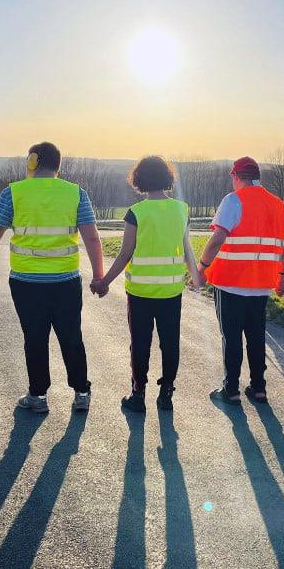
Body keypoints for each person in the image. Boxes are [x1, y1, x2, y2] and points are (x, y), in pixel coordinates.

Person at [0, 142, 104, 414]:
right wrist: (99, 276)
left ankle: (38, 396)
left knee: (34, 338)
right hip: (66, 281)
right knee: (71, 335)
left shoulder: (13, 192)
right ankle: (81, 392)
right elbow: (92, 237)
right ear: (58, 164)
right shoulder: (76, 193)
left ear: (33, 161)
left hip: (27, 283)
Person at [93, 156, 200, 413]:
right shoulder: (182, 210)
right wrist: (196, 277)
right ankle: (166, 394)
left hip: (140, 292)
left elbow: (124, 254)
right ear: (167, 178)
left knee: (140, 343)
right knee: (170, 342)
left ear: (139, 179)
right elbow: (187, 249)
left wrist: (104, 282)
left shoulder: (136, 213)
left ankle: (138, 393)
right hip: (171, 292)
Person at [197, 157, 284, 405]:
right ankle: (259, 388)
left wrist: (202, 266)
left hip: (230, 282)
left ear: (237, 176)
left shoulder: (233, 200)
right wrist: (282, 277)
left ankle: (231, 390)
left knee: (232, 337)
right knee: (257, 337)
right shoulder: (279, 205)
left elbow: (217, 239)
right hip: (261, 285)